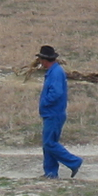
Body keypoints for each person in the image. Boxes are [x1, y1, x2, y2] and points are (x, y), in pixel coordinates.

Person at [36, 45, 83, 179]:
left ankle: (74, 162)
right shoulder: (54, 71)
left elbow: (56, 93)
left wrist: (45, 102)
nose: (40, 62)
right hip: (51, 113)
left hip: (53, 113)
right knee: (48, 143)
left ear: (45, 60)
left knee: (49, 143)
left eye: (41, 59)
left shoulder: (56, 72)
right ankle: (50, 173)